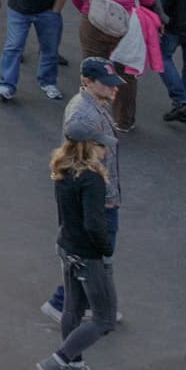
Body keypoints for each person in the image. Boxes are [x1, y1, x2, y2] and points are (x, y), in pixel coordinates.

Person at [36, 137, 120, 370]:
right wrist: (106, 249)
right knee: (104, 318)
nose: (107, 152)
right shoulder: (92, 179)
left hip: (68, 248)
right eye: (104, 146)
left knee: (72, 310)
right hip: (88, 255)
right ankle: (58, 362)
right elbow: (94, 224)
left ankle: (75, 367)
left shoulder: (63, 169)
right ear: (90, 146)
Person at [44, 59, 125, 324]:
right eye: (107, 83)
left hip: (102, 191)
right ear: (87, 82)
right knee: (94, 256)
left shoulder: (96, 105)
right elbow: (75, 131)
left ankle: (81, 303)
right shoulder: (84, 114)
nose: (114, 89)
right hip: (98, 195)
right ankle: (65, 302)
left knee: (92, 257)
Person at [66, 0, 160, 132]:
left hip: (93, 22)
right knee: (125, 73)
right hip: (125, 26)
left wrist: (84, 8)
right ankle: (124, 120)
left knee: (91, 68)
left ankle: (86, 115)